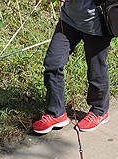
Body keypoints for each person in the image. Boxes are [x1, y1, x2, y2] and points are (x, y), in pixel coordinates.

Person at [33, 0, 112, 134]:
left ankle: (99, 111)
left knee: (96, 68)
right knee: (52, 63)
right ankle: (56, 113)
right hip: (69, 19)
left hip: (96, 22)